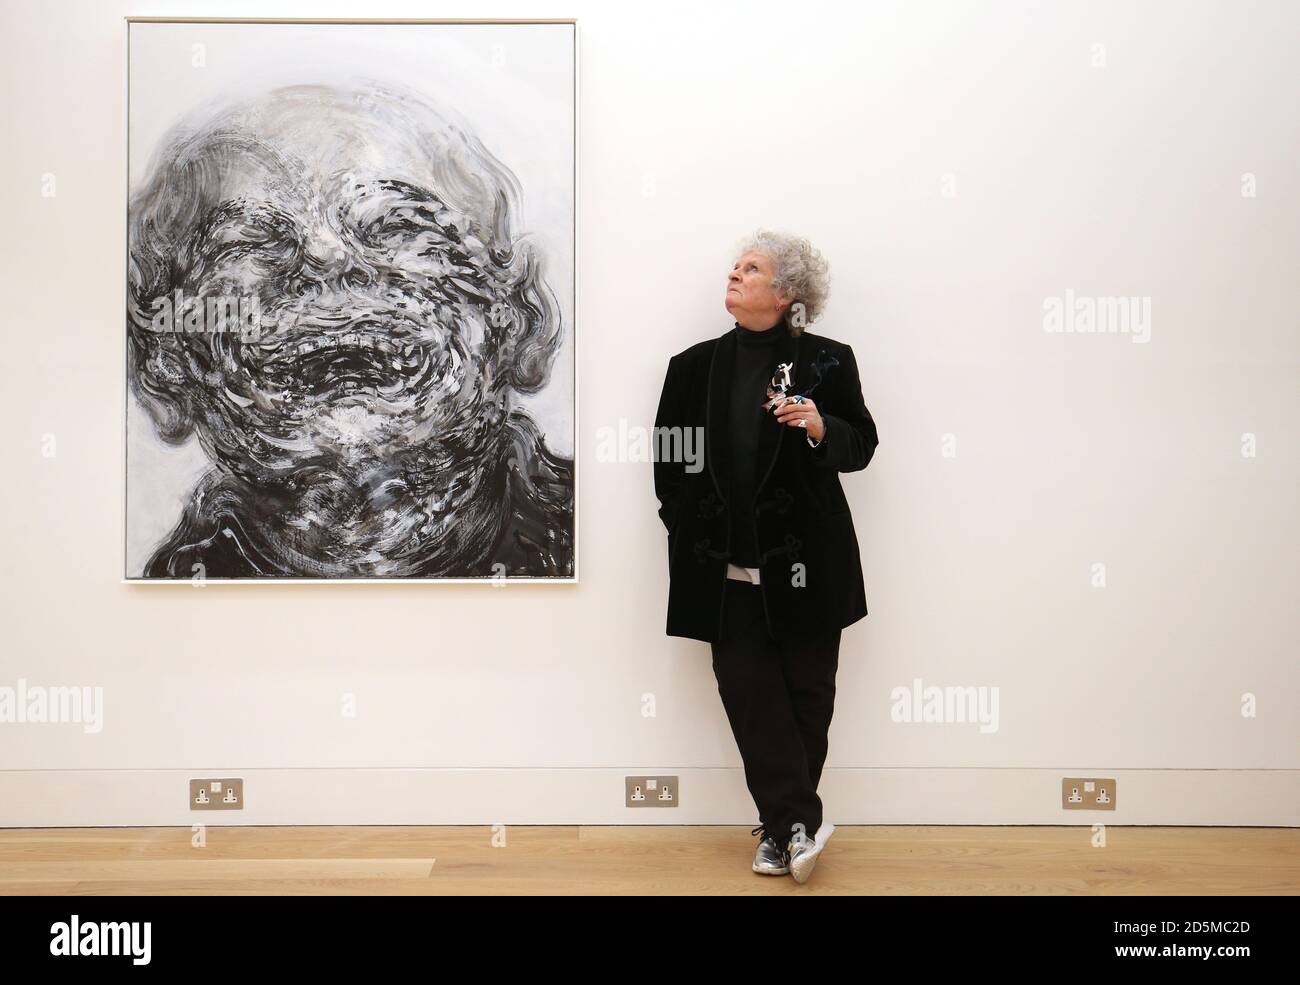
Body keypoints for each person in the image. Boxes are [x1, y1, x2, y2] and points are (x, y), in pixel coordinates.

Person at [652, 229, 879, 883]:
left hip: (813, 565)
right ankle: (796, 824)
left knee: (809, 699)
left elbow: (860, 444)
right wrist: (685, 529)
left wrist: (818, 427)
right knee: (751, 698)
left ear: (786, 294)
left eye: (751, 268)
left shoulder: (829, 362)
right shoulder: (691, 367)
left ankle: (783, 835)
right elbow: (671, 462)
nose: (735, 272)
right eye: (735, 265)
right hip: (725, 572)